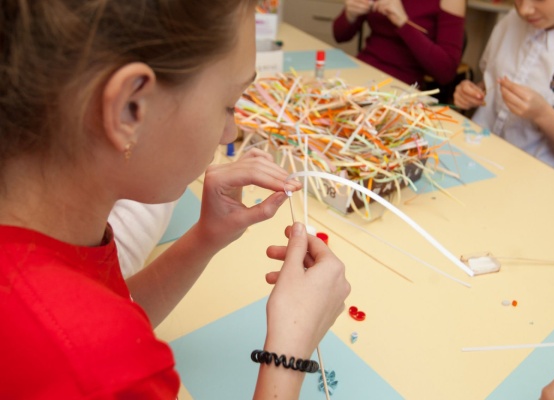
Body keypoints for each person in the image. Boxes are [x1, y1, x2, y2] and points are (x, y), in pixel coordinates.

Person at [0, 1, 351, 399]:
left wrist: (206, 237)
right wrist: (289, 351)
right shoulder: (93, 366)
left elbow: (109, 313)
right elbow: (95, 351)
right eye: (229, 105)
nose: (230, 133)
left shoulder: (48, 233)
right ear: (130, 107)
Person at [453, 0, 554, 190]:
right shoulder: (511, 21)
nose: (524, 10)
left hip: (539, 190)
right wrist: (474, 93)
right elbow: (490, 81)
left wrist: (543, 116)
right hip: (475, 163)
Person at [332, 0, 466, 89]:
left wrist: (403, 23)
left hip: (401, 87)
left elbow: (446, 72)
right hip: (361, 72)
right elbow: (339, 36)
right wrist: (350, 14)